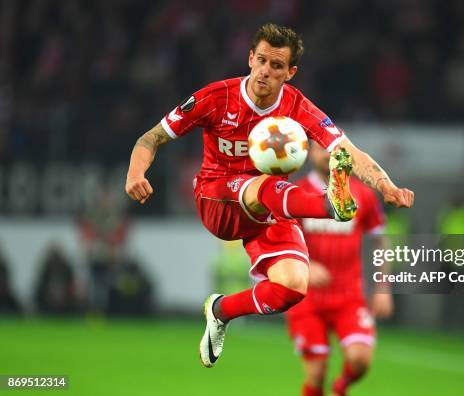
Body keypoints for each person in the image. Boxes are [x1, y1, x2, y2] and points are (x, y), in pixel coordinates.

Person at [125, 24, 414, 368]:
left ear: (290, 72)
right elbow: (151, 138)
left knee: (293, 287)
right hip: (218, 198)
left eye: (276, 66)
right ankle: (329, 204)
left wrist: (385, 186)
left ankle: (220, 311)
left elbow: (348, 151)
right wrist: (135, 173)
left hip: (270, 207)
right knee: (263, 185)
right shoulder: (217, 97)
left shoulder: (297, 108)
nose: (265, 71)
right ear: (250, 58)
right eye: (261, 60)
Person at [286, 143, 393, 396]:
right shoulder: (295, 193)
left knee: (360, 360)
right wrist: (306, 265)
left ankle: (341, 387)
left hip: (349, 296)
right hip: (307, 297)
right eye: (320, 148)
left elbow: (381, 240)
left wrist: (383, 287)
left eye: (333, 148)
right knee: (316, 372)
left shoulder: (362, 194)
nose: (327, 153)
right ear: (309, 153)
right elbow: (278, 241)